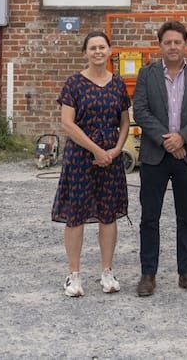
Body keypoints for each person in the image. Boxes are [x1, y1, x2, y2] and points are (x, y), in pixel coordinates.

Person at [131, 21, 187, 297]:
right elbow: (141, 111)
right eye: (167, 42)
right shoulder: (147, 74)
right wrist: (168, 140)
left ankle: (186, 272)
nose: (173, 47)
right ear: (160, 45)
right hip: (155, 155)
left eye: (177, 42)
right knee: (149, 217)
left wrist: (183, 138)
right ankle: (148, 273)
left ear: (185, 44)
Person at [52, 31, 131, 297]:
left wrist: (117, 149)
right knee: (76, 215)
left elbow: (124, 121)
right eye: (92, 47)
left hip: (111, 158)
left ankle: (107, 272)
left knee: (108, 215)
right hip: (80, 158)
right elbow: (67, 123)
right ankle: (73, 275)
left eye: (102, 47)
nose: (98, 51)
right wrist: (97, 150)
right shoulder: (73, 83)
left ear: (110, 51)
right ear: (85, 52)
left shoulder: (118, 84)